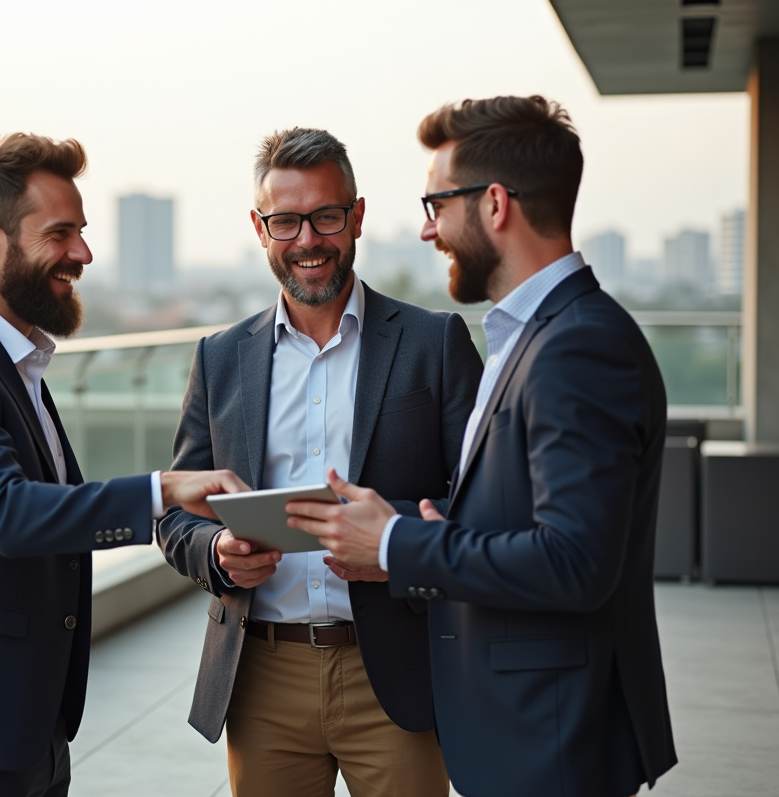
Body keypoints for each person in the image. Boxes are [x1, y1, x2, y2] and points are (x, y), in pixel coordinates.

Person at [288, 97, 677, 797]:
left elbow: (575, 562)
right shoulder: (530, 335)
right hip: (528, 729)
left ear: (495, 203)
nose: (426, 228)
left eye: (438, 203)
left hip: (551, 737)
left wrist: (396, 546)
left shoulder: (577, 346)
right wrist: (426, 533)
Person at [0, 132, 247, 797]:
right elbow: (7, 514)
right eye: (61, 233)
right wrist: (164, 489)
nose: (83, 253)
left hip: (24, 716)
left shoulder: (15, 361)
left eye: (83, 231)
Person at [158, 127, 483, 797]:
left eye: (326, 216)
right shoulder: (220, 359)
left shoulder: (434, 343)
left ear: (357, 216)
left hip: (394, 669)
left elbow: (487, 506)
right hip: (261, 675)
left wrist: (391, 539)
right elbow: (176, 518)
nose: (307, 240)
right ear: (260, 227)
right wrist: (217, 549)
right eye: (286, 221)